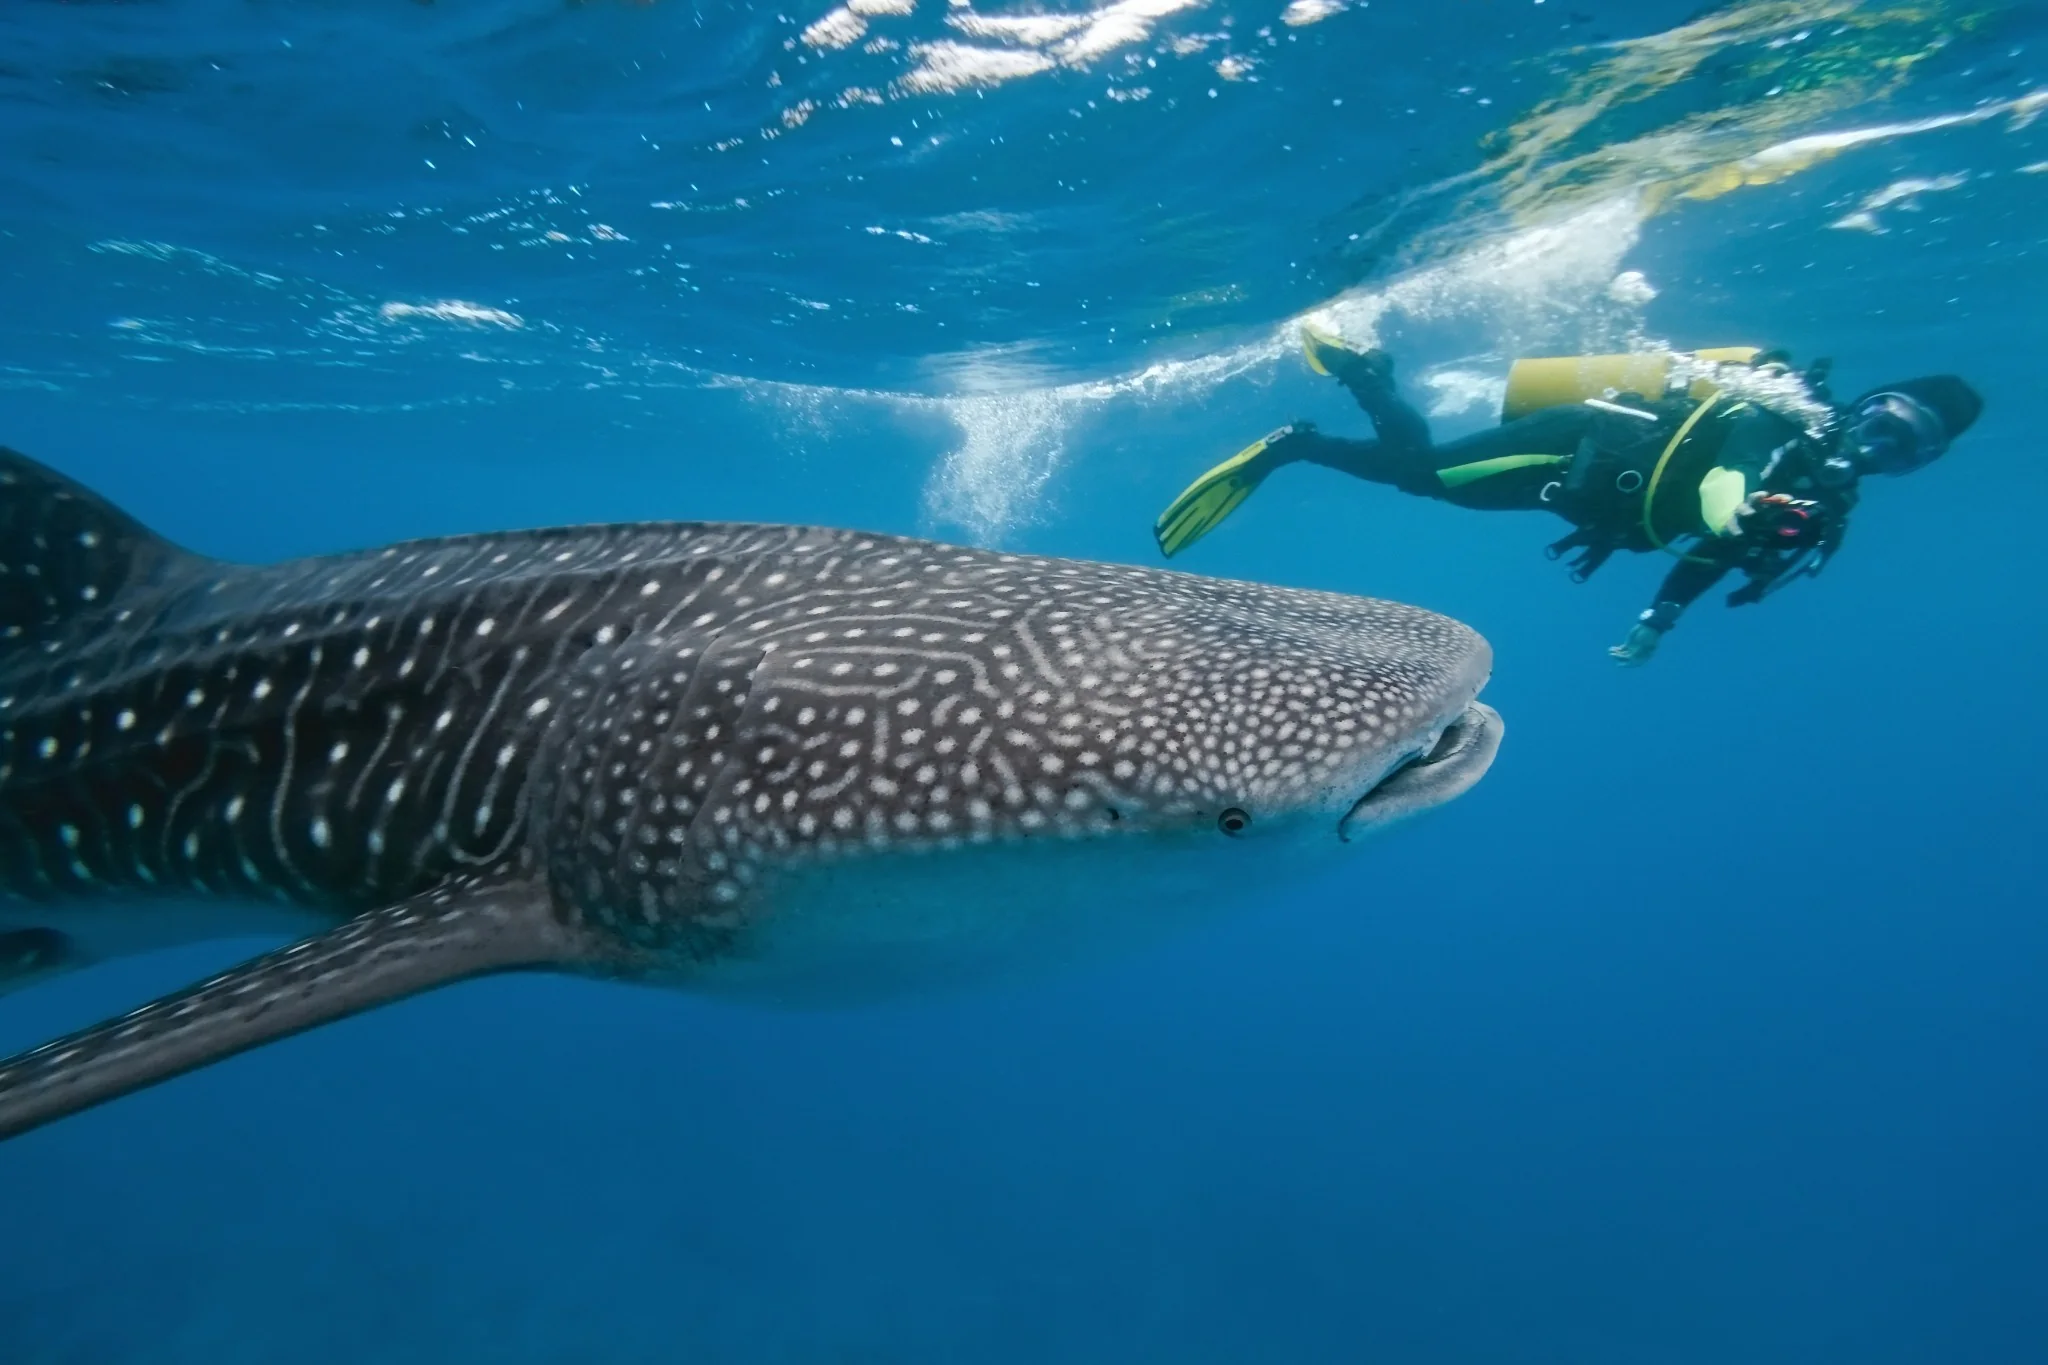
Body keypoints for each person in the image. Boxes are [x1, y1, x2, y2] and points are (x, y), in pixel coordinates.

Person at [1152, 328, 1983, 665]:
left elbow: (1714, 553)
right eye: (1885, 420)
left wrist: (1658, 620)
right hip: (1579, 443)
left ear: (1921, 463)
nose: (1880, 445)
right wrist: (1734, 503)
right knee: (1426, 474)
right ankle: (1326, 412)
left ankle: (1353, 393)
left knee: (1430, 481)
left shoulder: (1822, 511)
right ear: (1868, 401)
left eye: (1906, 448)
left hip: (1587, 499)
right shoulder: (1782, 419)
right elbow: (1734, 469)